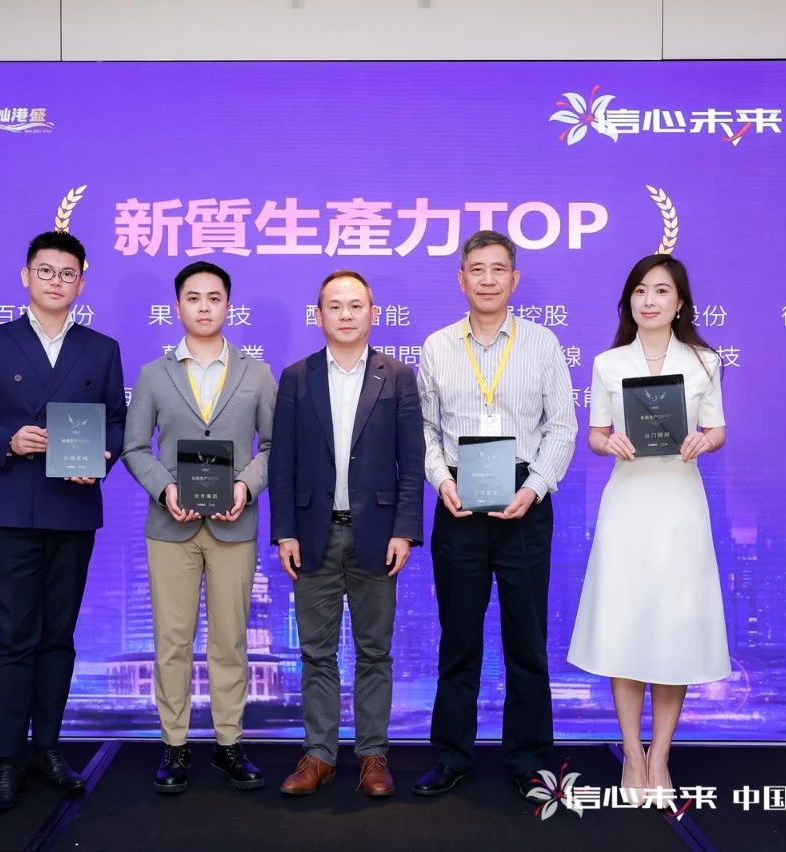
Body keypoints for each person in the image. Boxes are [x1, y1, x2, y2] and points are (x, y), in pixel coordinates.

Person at [0, 230, 126, 812]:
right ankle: (6, 761)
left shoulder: (101, 348)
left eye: (67, 273)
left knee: (59, 637)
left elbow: (118, 422)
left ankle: (47, 749)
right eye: (45, 271)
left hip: (73, 508)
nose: (55, 281)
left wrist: (103, 456)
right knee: (15, 638)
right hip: (11, 508)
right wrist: (7, 439)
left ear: (81, 284)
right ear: (26, 276)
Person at [413, 230, 577, 799]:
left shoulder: (543, 344)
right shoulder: (437, 346)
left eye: (498, 269)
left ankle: (529, 757)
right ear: (461, 279)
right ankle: (453, 756)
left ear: (515, 278)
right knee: (458, 637)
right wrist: (441, 480)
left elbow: (562, 428)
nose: (487, 280)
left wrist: (534, 488)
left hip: (524, 500)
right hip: (459, 500)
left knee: (526, 637)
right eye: (477, 270)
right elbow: (425, 429)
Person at [566, 253, 730, 807]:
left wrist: (704, 440)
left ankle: (660, 755)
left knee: (674, 626)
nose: (649, 300)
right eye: (640, 290)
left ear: (680, 302)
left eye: (660, 290)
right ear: (628, 301)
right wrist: (607, 442)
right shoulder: (608, 363)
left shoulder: (704, 362)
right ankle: (632, 755)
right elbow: (595, 434)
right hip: (628, 505)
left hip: (680, 504)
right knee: (626, 623)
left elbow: (718, 428)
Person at [122, 260, 277, 794]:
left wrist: (245, 487)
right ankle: (175, 745)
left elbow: (274, 447)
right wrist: (166, 488)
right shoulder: (153, 375)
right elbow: (134, 447)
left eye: (214, 298)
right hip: (171, 527)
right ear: (177, 307)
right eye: (194, 298)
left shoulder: (257, 373)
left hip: (235, 525)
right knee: (172, 640)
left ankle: (229, 744)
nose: (204, 306)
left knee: (230, 640)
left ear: (229, 306)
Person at [268, 271, 425, 798]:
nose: (345, 314)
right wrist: (284, 531)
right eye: (334, 306)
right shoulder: (297, 377)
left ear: (373, 314)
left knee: (374, 652)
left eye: (355, 305)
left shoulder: (397, 377)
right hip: (312, 535)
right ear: (319, 316)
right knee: (316, 653)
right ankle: (318, 755)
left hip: (377, 536)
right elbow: (282, 462)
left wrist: (405, 531)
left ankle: (373, 755)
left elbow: (412, 462)